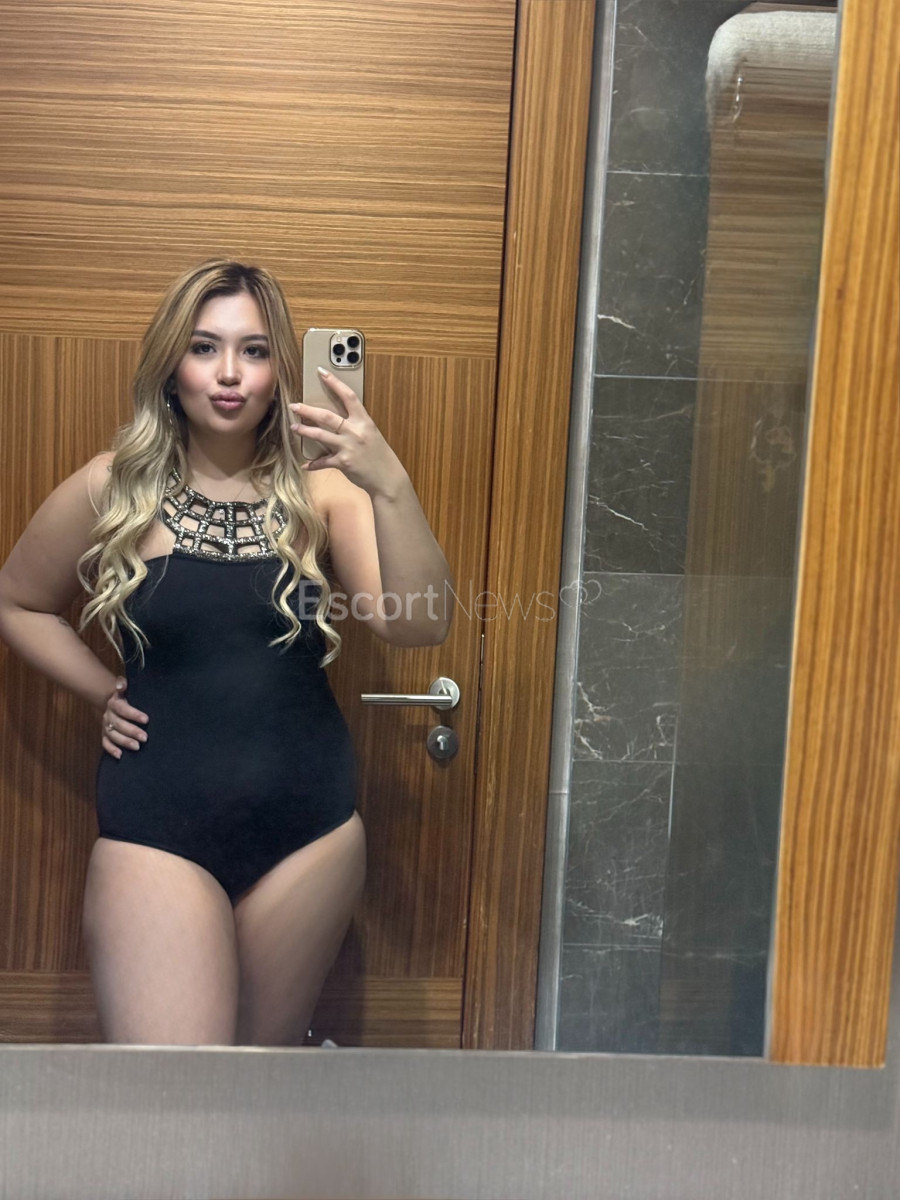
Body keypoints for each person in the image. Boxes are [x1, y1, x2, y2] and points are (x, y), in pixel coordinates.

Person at [0, 259, 453, 1046]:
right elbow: (18, 601)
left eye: (255, 350)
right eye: (205, 347)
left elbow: (419, 624)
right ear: (171, 365)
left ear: (280, 372)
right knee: (179, 1093)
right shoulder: (113, 488)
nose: (230, 373)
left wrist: (389, 484)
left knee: (255, 1093)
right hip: (156, 829)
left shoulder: (327, 493)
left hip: (310, 833)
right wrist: (101, 690)